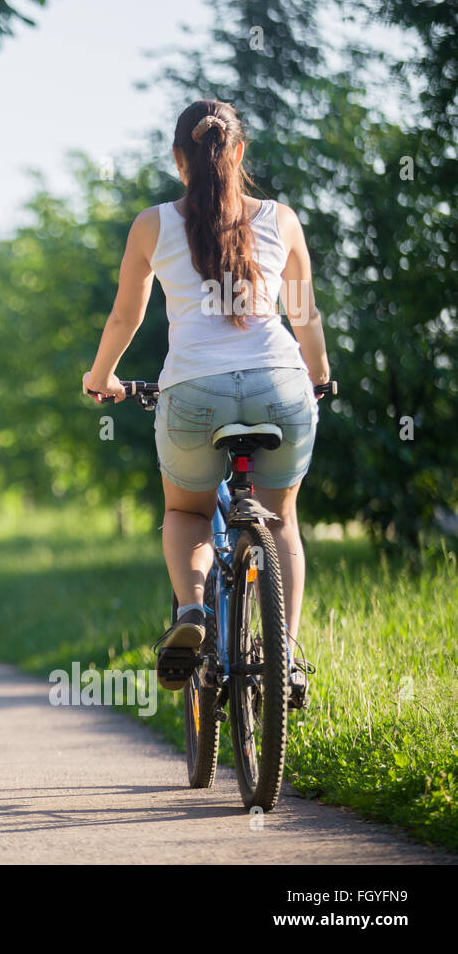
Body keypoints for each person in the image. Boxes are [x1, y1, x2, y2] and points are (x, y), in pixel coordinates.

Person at [82, 99, 331, 708]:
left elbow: (125, 316)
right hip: (280, 384)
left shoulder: (152, 225)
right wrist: (320, 377)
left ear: (177, 160)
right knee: (281, 522)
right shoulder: (282, 219)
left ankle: (192, 610)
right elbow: (305, 317)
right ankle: (286, 659)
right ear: (239, 152)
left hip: (193, 394)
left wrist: (100, 377)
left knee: (188, 515)